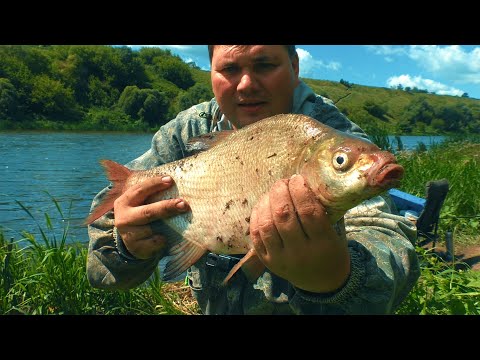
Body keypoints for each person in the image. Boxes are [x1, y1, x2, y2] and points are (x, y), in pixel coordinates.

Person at [86, 45, 420, 314]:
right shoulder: (185, 132)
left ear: (294, 66)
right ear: (212, 74)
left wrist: (336, 278)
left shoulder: (336, 139)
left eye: (264, 64)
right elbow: (102, 270)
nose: (246, 83)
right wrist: (127, 248)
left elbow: (387, 242)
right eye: (229, 69)